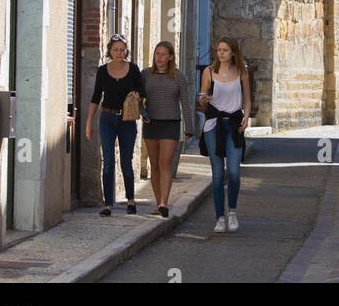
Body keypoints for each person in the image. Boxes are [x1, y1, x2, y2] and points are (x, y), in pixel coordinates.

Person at [85, 33, 143, 217]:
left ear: (126, 50)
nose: (119, 53)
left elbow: (142, 91)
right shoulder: (103, 71)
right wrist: (89, 123)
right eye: (115, 49)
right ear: (110, 50)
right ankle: (108, 204)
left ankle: (131, 201)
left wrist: (137, 95)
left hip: (127, 120)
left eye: (122, 49)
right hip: (107, 119)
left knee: (126, 161)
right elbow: (96, 97)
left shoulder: (133, 69)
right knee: (108, 162)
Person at [197, 36, 250, 233]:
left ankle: (233, 212)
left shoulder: (241, 71)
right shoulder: (209, 72)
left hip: (234, 124)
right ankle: (220, 217)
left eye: (225, 50)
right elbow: (202, 97)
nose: (221, 53)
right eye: (219, 49)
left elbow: (247, 99)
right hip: (213, 125)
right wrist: (204, 99)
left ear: (233, 52)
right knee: (218, 174)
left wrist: (246, 117)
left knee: (234, 172)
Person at [140, 40, 195, 218]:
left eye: (163, 54)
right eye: (157, 54)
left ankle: (164, 202)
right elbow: (137, 98)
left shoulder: (178, 76)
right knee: (154, 164)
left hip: (171, 123)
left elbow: (185, 103)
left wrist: (189, 128)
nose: (159, 57)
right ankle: (158, 203)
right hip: (151, 124)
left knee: (166, 162)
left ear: (171, 57)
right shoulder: (145, 75)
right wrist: (143, 113)